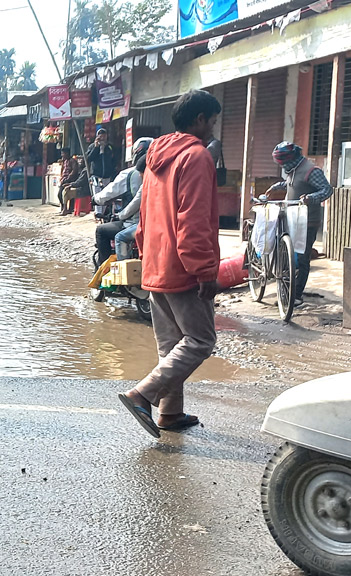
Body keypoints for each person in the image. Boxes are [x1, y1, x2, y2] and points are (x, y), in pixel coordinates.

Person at [118, 89, 222, 438]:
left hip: (155, 261)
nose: (213, 129)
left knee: (171, 344)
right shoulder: (196, 156)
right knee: (199, 341)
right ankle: (142, 394)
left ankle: (170, 413)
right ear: (199, 120)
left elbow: (145, 215)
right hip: (183, 266)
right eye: (212, 121)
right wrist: (205, 270)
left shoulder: (154, 158)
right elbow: (193, 220)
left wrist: (145, 254)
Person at [269, 141, 334, 307]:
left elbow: (327, 190)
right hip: (292, 218)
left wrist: (311, 198)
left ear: (291, 158)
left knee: (303, 258)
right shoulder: (294, 169)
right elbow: (295, 184)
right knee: (289, 256)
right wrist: (278, 185)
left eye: (283, 163)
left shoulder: (311, 170)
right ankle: (287, 291)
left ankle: (296, 296)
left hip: (308, 221)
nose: (283, 167)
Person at [92, 137, 152, 265]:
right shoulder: (161, 174)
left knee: (101, 231)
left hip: (134, 223)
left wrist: (95, 199)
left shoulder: (130, 174)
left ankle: (106, 270)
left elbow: (110, 193)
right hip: (157, 224)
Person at [57, 148, 80, 215]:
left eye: (63, 153)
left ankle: (69, 209)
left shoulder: (72, 161)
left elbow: (74, 171)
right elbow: (63, 170)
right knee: (60, 194)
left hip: (70, 180)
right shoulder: (65, 161)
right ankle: (64, 208)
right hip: (64, 179)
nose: (62, 155)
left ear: (67, 153)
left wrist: (68, 178)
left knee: (67, 194)